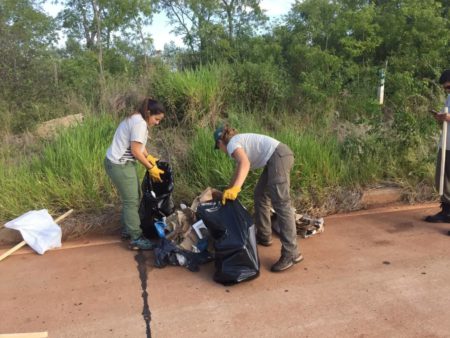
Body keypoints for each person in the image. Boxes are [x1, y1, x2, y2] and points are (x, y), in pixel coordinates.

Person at [214, 125, 303, 272]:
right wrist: (228, 190)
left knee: (282, 204)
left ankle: (291, 253)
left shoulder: (232, 144)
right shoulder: (237, 142)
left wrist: (236, 189)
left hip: (278, 157)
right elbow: (239, 170)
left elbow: (245, 164)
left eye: (219, 148)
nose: (222, 152)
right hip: (276, 157)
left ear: (220, 142)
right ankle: (264, 236)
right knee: (260, 195)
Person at [104, 97, 165, 250]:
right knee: (131, 201)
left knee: (134, 196)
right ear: (149, 113)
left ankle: (128, 229)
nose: (157, 123)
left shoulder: (137, 119)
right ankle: (135, 237)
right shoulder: (140, 123)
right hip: (119, 164)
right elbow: (136, 151)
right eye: (156, 119)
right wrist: (150, 168)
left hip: (121, 163)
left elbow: (140, 145)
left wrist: (149, 157)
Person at [426, 69, 450, 223]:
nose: (446, 89)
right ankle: (447, 211)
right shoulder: (449, 97)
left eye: (448, 86)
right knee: (443, 179)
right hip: (447, 144)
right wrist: (440, 116)